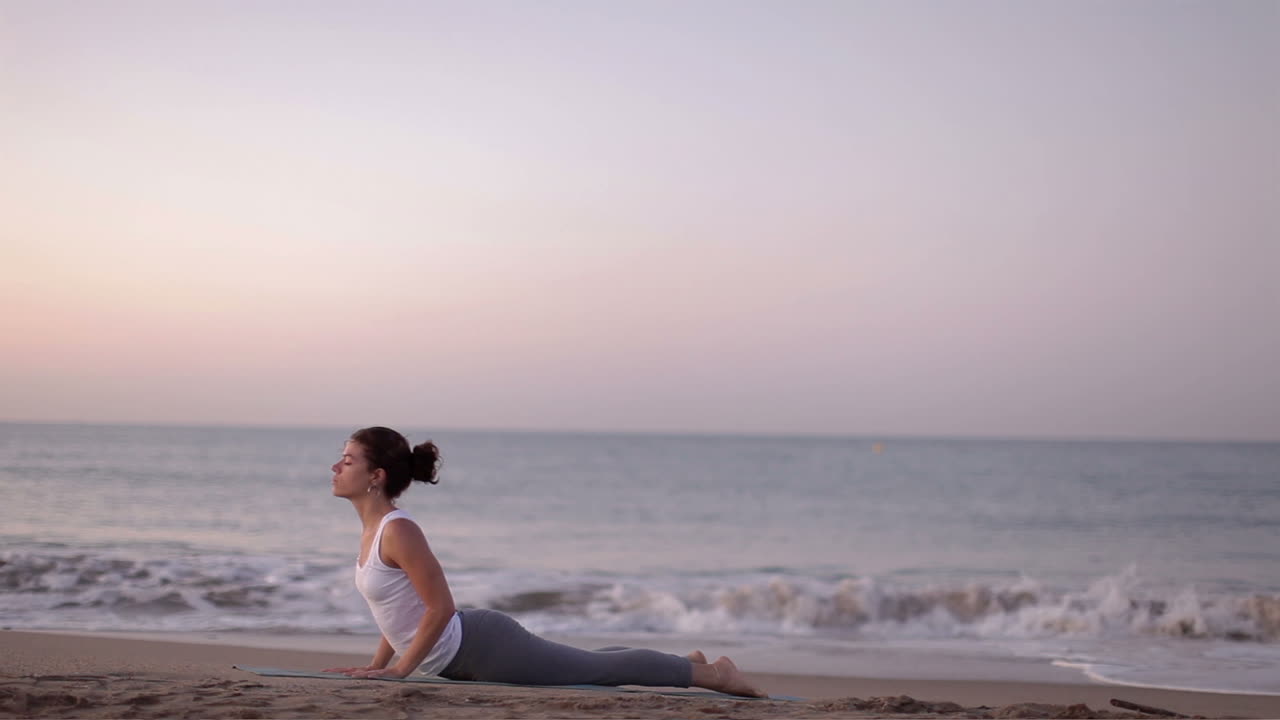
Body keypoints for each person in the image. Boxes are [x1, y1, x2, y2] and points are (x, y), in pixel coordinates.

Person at [321, 426, 767, 697]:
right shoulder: (373, 531)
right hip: (462, 651)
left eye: (347, 460)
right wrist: (381, 665)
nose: (336, 468)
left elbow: (438, 607)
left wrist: (400, 670)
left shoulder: (399, 530)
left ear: (376, 476)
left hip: (480, 647)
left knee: (594, 671)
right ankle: (679, 660)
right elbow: (396, 614)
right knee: (583, 663)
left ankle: (714, 673)